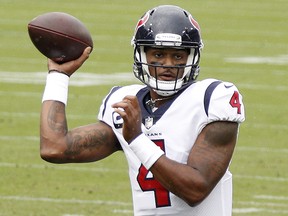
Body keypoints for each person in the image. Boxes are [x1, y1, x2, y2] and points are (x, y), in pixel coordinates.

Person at [40, 5, 245, 216]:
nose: (167, 64)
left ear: (191, 58)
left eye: (177, 56)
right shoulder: (125, 103)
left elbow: (195, 189)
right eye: (158, 54)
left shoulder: (211, 99)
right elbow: (54, 147)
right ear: (142, 54)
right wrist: (58, 76)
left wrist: (137, 139)